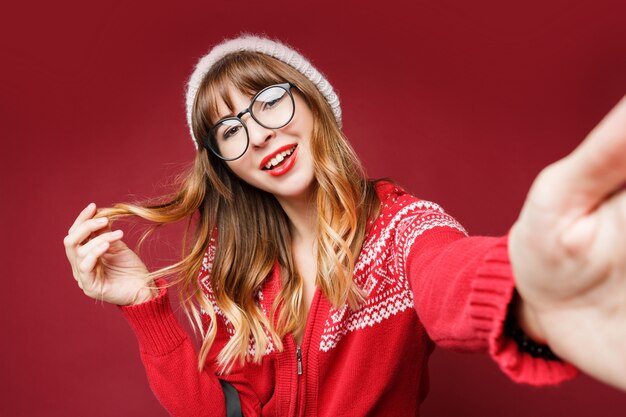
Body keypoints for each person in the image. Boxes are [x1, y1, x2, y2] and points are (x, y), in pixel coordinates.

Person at [63, 34, 626, 416]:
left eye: (268, 103)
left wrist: (524, 288)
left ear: (314, 105)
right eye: (230, 130)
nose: (257, 135)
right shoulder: (231, 268)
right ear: (224, 162)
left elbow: (447, 273)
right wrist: (145, 308)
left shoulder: (400, 229)